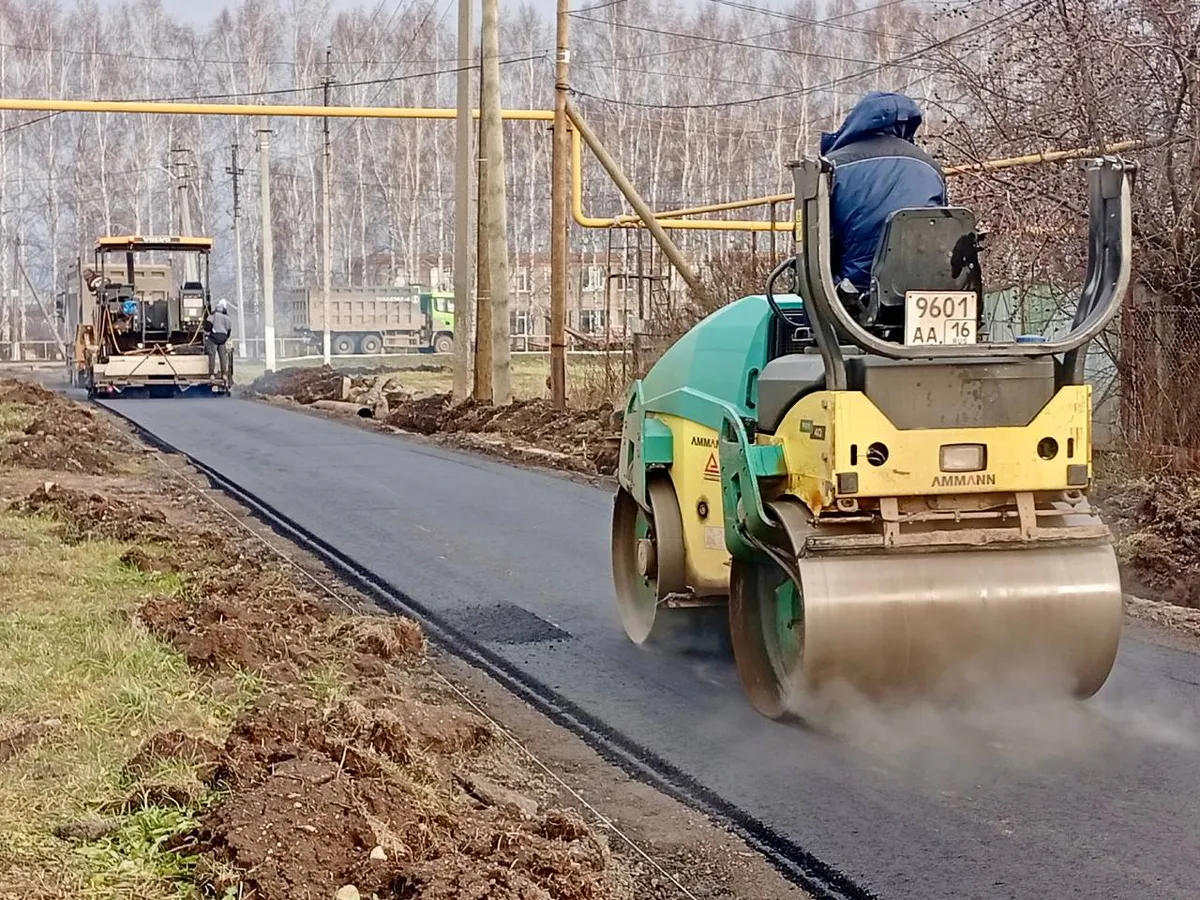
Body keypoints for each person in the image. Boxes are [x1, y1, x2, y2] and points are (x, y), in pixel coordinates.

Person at [820, 91, 947, 297]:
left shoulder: (833, 166)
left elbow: (818, 239)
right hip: (919, 288)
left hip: (851, 292)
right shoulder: (930, 166)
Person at [205, 298, 234, 383]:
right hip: (223, 338)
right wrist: (225, 337)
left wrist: (207, 334)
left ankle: (211, 375)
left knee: (212, 355)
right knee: (223, 356)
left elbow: (208, 325)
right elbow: (229, 329)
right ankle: (224, 374)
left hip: (213, 338)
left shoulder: (213, 315)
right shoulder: (227, 317)